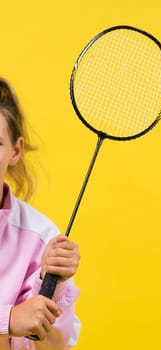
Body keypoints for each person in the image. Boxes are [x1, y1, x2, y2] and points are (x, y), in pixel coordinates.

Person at [0, 77, 81, 349]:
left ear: (16, 150)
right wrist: (8, 320)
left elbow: (48, 347)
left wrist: (52, 288)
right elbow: (12, 323)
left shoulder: (41, 236)